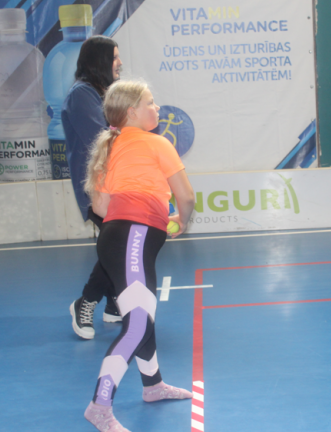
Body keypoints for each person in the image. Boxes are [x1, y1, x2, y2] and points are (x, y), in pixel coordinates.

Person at [82, 80, 196, 432]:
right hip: (134, 238)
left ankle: (153, 386)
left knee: (142, 314)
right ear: (131, 112)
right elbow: (186, 196)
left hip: (119, 238)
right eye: (150, 102)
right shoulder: (157, 143)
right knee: (137, 324)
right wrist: (180, 220)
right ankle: (99, 406)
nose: (156, 107)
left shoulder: (109, 148)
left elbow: (100, 206)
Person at [63, 36, 124, 339]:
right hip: (97, 187)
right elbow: (102, 139)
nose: (120, 63)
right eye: (114, 57)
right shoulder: (81, 95)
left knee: (118, 243)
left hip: (115, 183)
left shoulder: (104, 92)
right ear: (99, 61)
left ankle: (113, 303)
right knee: (117, 245)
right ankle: (85, 302)